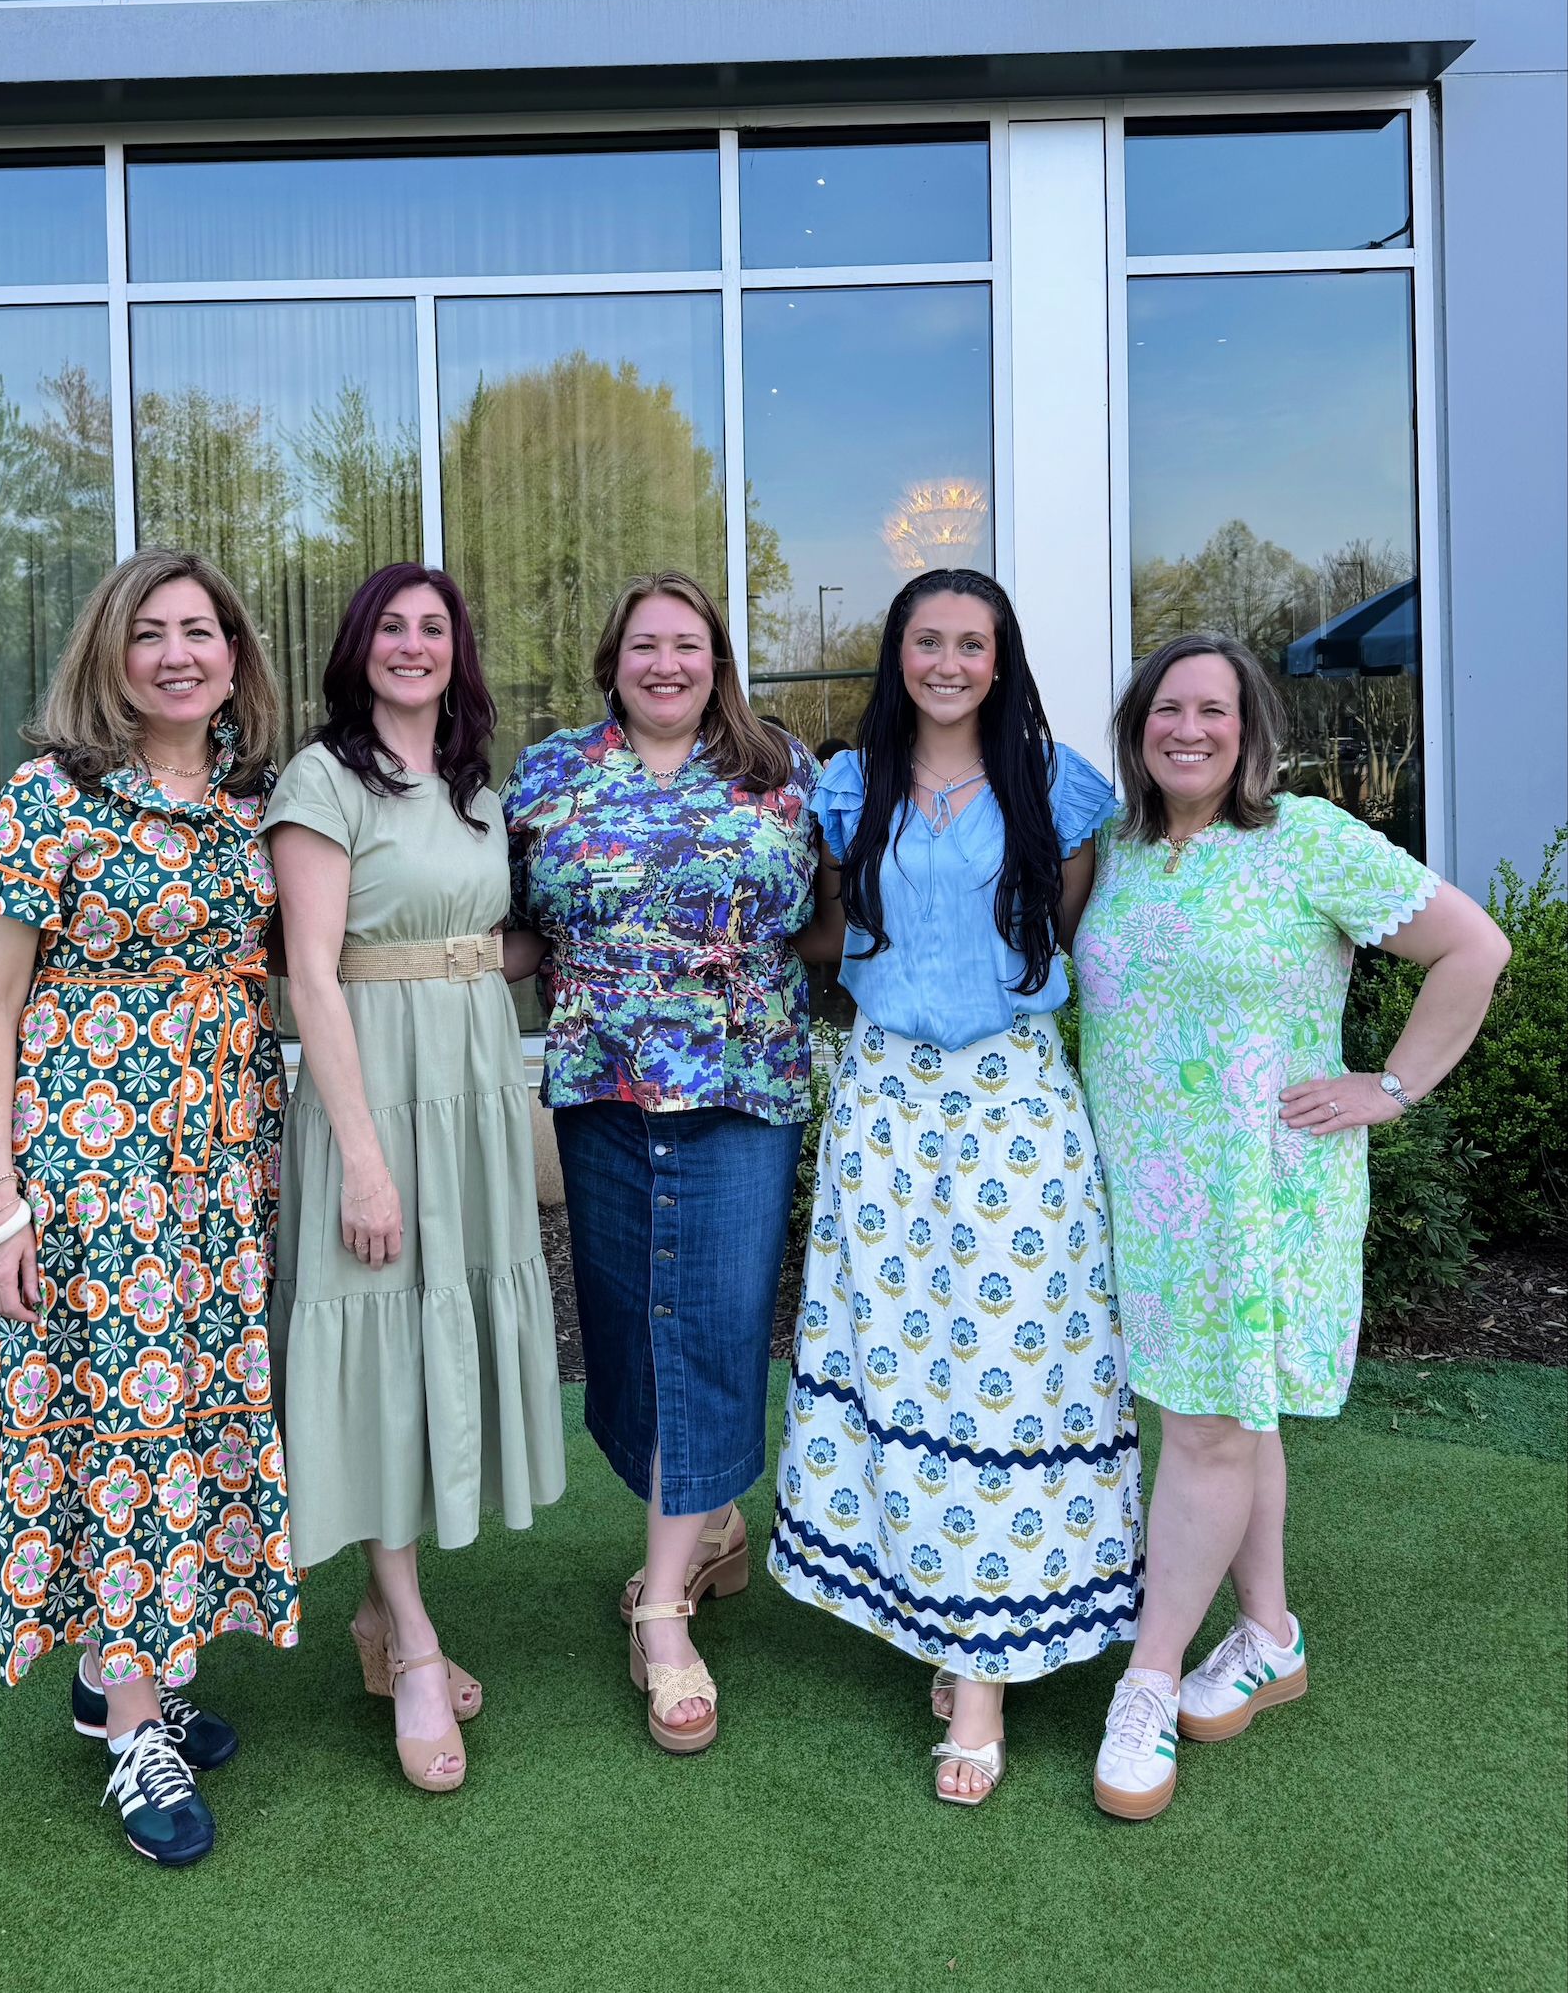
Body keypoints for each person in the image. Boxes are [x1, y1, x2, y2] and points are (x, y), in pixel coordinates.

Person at [1078, 634, 1510, 1821]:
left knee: (1209, 1430)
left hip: (1258, 1195)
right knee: (1218, 1412)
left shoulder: (1308, 839)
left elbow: (1474, 946)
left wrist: (1394, 1084)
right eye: (1169, 708)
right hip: (1147, 1194)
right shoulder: (1115, 851)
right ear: (1139, 725)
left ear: (1250, 728)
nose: (1190, 730)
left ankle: (1150, 1677)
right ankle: (1268, 1631)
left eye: (1214, 711)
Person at [0, 547, 298, 1869]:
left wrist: (255, 1151)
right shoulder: (52, 798)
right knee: (123, 1423)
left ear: (233, 654)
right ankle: (133, 1719)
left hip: (212, 1168)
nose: (177, 654)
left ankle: (118, 1670)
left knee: (180, 1416)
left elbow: (259, 989)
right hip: (88, 1166)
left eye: (200, 631)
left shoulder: (255, 801)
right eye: (150, 633)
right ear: (110, 654)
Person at [773, 568, 1142, 1809]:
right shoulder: (847, 784)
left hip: (1015, 1101)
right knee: (899, 1357)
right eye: (925, 640)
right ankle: (942, 1608)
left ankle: (984, 1668)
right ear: (898, 654)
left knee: (1015, 1360)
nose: (946, 660)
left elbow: (1067, 935)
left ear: (1000, 657)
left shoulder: (1058, 782)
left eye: (969, 642)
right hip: (881, 1100)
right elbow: (837, 932)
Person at [499, 571, 819, 1754]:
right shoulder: (550, 774)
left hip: (745, 1084)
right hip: (601, 1088)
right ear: (612, 660)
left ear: (718, 660)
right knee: (633, 1321)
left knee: (722, 1317)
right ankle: (710, 1524)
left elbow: (832, 915)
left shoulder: (783, 770)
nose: (668, 663)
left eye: (689, 644)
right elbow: (523, 924)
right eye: (647, 644)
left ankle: (666, 1604)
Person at [263, 564, 565, 1795]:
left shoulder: (479, 791)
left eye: (435, 626)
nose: (413, 643)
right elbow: (313, 975)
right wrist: (366, 1163)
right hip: (373, 1099)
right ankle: (415, 1635)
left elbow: (504, 942)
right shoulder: (320, 781)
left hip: (474, 1090)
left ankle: (389, 1624)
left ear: (460, 653)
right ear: (358, 646)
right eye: (391, 624)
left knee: (438, 1337)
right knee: (379, 1345)